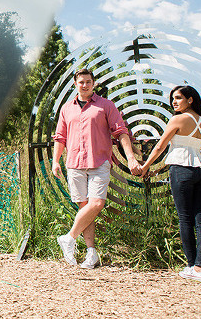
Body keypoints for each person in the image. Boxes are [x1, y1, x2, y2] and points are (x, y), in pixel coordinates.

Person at [52, 68, 139, 269]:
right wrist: (56, 161)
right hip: (74, 163)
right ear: (75, 84)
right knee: (85, 208)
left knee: (97, 203)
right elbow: (60, 137)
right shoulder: (66, 108)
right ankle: (91, 254)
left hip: (99, 161)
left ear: (94, 84)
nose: (85, 85)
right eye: (81, 82)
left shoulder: (106, 105)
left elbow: (121, 132)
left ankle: (69, 238)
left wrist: (131, 158)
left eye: (88, 81)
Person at [139, 85, 201, 282]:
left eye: (179, 98)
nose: (174, 101)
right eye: (173, 98)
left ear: (190, 100)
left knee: (185, 218)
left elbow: (160, 146)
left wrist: (146, 166)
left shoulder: (177, 119)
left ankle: (191, 265)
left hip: (182, 169)